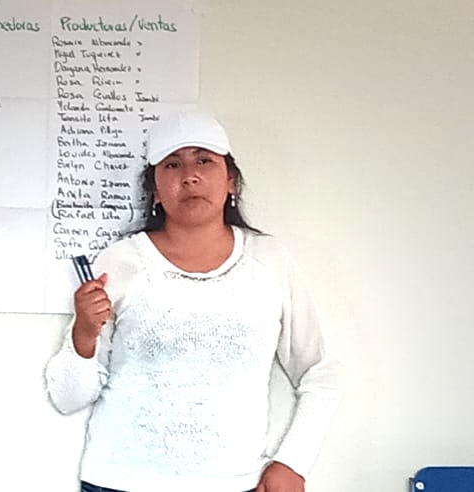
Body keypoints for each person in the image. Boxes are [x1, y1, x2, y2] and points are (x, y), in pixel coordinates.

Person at [45, 111, 343, 492]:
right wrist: (84, 334)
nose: (189, 176)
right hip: (120, 483)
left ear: (230, 180)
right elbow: (68, 398)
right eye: (172, 165)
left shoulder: (269, 261)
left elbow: (320, 372)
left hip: (236, 484)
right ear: (155, 190)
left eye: (204, 160)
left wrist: (293, 462)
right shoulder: (119, 262)